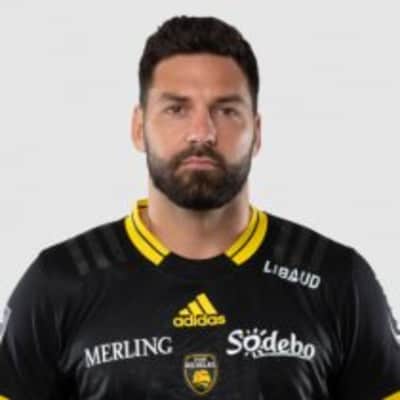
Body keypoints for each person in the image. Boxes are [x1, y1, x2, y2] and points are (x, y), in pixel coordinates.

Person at [0, 15, 399, 400]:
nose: (202, 132)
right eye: (176, 109)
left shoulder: (337, 279)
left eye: (226, 110)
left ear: (257, 132)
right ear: (139, 128)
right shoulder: (59, 283)